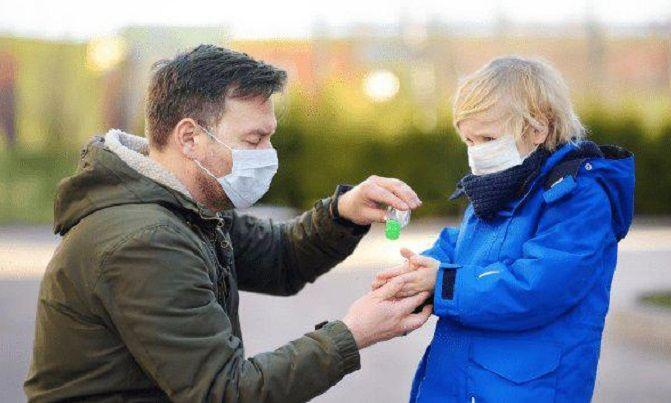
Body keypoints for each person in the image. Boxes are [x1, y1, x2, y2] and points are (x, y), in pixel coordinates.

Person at [24, 44, 433, 403]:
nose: (268, 155)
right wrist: (353, 333)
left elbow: (280, 258)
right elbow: (224, 391)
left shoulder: (186, 207)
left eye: (269, 137)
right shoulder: (145, 242)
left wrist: (342, 212)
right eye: (254, 140)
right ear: (190, 138)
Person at [373, 56, 635, 402]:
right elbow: (463, 245)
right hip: (459, 381)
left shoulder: (578, 199)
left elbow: (537, 287)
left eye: (488, 138)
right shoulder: (500, 184)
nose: (477, 152)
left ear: (538, 129)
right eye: (469, 141)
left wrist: (441, 282)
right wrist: (416, 273)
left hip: (525, 388)